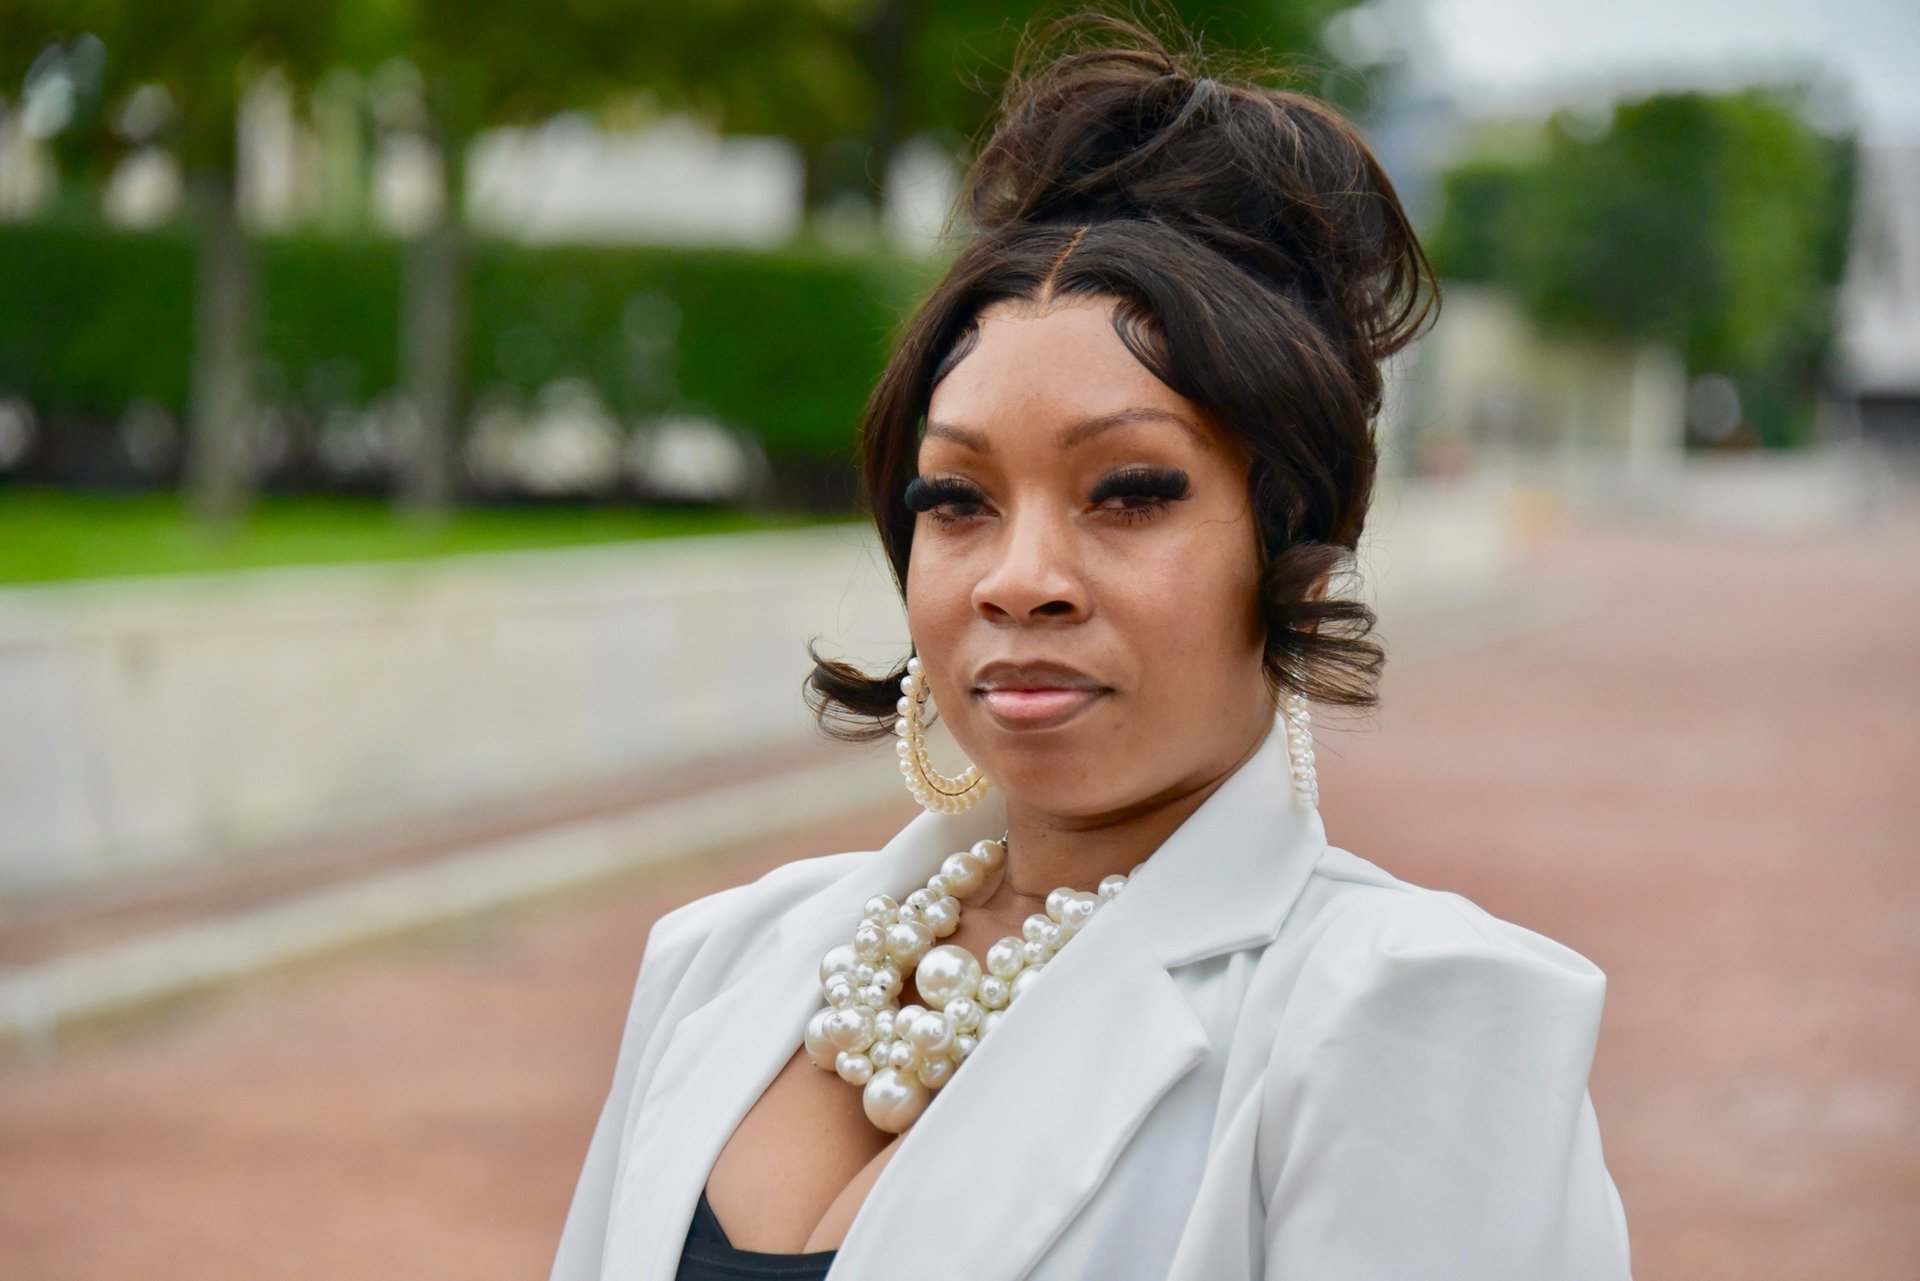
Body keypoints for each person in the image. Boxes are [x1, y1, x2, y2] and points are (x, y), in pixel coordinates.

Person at [550, 11, 1632, 1280]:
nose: (1022, 581)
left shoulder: (1402, 1011)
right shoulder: (720, 959)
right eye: (955, 499)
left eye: (1129, 493)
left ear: (1293, 542)